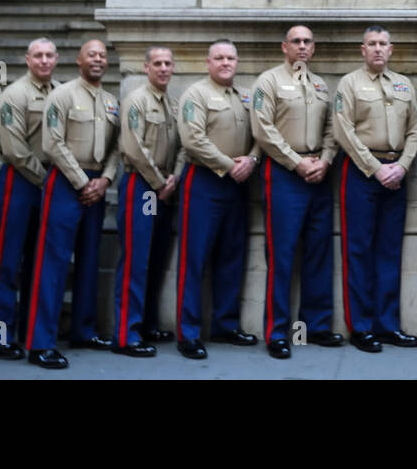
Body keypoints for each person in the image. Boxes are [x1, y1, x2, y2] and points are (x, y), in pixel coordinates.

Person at [26, 40, 120, 369]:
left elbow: (115, 150)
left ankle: (83, 330)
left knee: (90, 260)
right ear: (79, 60)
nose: (97, 59)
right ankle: (40, 343)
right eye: (91, 54)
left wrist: (105, 180)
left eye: (102, 55)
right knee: (53, 263)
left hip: (97, 185)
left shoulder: (111, 102)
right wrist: (83, 182)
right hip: (66, 183)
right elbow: (53, 143)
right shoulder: (62, 95)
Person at [251, 25, 342, 359]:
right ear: (284, 47)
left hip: (318, 175)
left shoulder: (320, 85)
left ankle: (313, 328)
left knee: (318, 252)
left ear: (313, 49)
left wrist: (326, 160)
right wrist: (296, 163)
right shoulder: (268, 82)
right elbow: (263, 130)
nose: (302, 47)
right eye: (296, 42)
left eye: (307, 42)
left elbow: (332, 129)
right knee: (282, 255)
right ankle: (278, 332)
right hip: (285, 175)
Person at [333, 26, 417, 351]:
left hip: (396, 174)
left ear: (391, 49)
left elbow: (416, 128)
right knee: (359, 251)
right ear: (362, 49)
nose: (378, 49)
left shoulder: (403, 84)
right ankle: (361, 327)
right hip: (360, 174)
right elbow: (343, 131)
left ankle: (387, 325)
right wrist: (375, 168)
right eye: (372, 44)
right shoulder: (349, 84)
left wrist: (402, 165)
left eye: (383, 44)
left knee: (389, 251)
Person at [174, 40, 260, 359]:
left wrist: (250, 160)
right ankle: (189, 333)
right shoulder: (195, 94)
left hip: (238, 184)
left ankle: (225, 325)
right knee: (193, 259)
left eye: (231, 57)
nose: (226, 63)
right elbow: (192, 139)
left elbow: (260, 134)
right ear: (208, 62)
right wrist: (228, 165)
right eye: (219, 58)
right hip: (204, 181)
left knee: (231, 256)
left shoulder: (245, 96)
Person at [0, 37, 59, 361]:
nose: (44, 61)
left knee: (39, 262)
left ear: (56, 59)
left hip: (50, 181)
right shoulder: (14, 94)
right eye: (38, 55)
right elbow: (13, 149)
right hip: (20, 180)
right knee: (7, 262)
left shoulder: (63, 93)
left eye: (49, 55)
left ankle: (31, 331)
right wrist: (47, 183)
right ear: (27, 59)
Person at [113, 46, 185, 358]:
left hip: (162, 191)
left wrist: (175, 179)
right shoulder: (136, 101)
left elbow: (184, 146)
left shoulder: (172, 104)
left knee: (155, 258)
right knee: (136, 259)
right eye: (157, 63)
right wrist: (159, 184)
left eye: (168, 63)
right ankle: (126, 334)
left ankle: (147, 324)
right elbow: (133, 148)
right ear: (146, 67)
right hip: (142, 190)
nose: (164, 68)